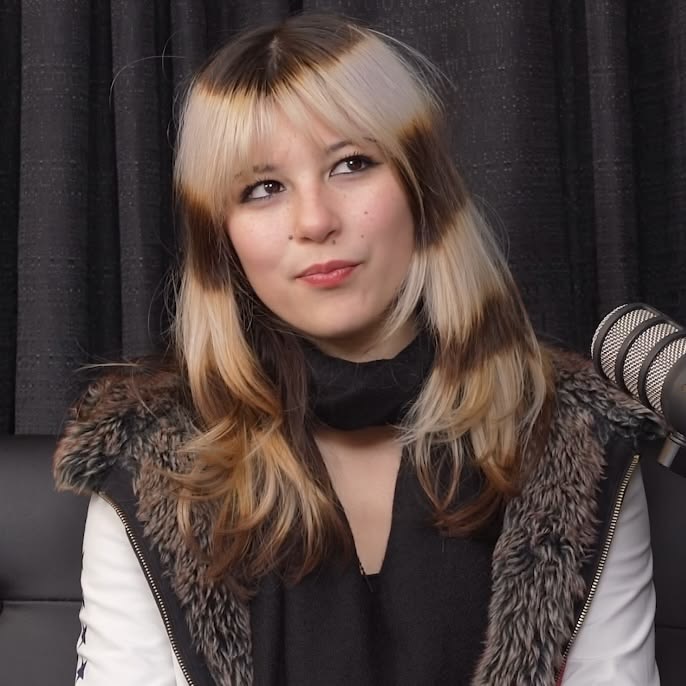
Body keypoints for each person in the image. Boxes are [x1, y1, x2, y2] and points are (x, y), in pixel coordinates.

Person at [54, 12, 662, 686]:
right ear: (221, 238)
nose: (315, 221)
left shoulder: (575, 439)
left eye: (352, 164)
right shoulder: (152, 461)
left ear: (422, 187)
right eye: (263, 188)